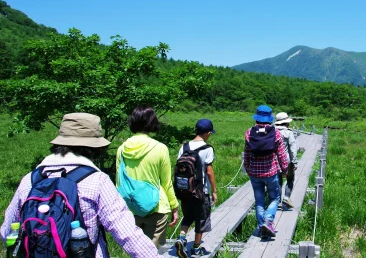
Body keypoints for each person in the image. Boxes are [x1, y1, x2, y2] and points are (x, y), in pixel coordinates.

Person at [0, 113, 163, 257]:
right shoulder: (97, 180)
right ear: (94, 147)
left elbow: (7, 232)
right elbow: (127, 233)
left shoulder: (30, 179)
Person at [116, 105, 179, 248]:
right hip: (156, 207)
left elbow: (119, 182)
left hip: (131, 208)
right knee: (151, 252)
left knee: (135, 251)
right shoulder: (160, 148)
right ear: (152, 122)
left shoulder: (122, 149)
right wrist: (174, 206)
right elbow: (166, 182)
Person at [243, 105, 289, 239]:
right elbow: (281, 155)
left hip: (254, 174)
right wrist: (285, 170)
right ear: (269, 118)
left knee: (259, 201)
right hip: (271, 172)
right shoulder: (275, 133)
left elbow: (246, 154)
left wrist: (248, 169)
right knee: (275, 198)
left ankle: (261, 226)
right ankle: (268, 221)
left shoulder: (248, 132)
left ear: (257, 117)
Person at [174, 119, 217, 258]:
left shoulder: (184, 147)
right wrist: (214, 191)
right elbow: (209, 172)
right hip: (200, 192)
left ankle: (181, 238)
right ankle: (196, 248)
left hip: (185, 190)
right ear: (208, 133)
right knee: (201, 220)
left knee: (188, 216)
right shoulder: (207, 149)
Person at [273, 112, 298, 208]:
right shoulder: (288, 133)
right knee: (290, 178)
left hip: (275, 161)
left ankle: (278, 200)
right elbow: (292, 148)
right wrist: (294, 162)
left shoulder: (272, 132)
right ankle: (286, 197)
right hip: (287, 160)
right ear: (286, 123)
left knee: (278, 180)